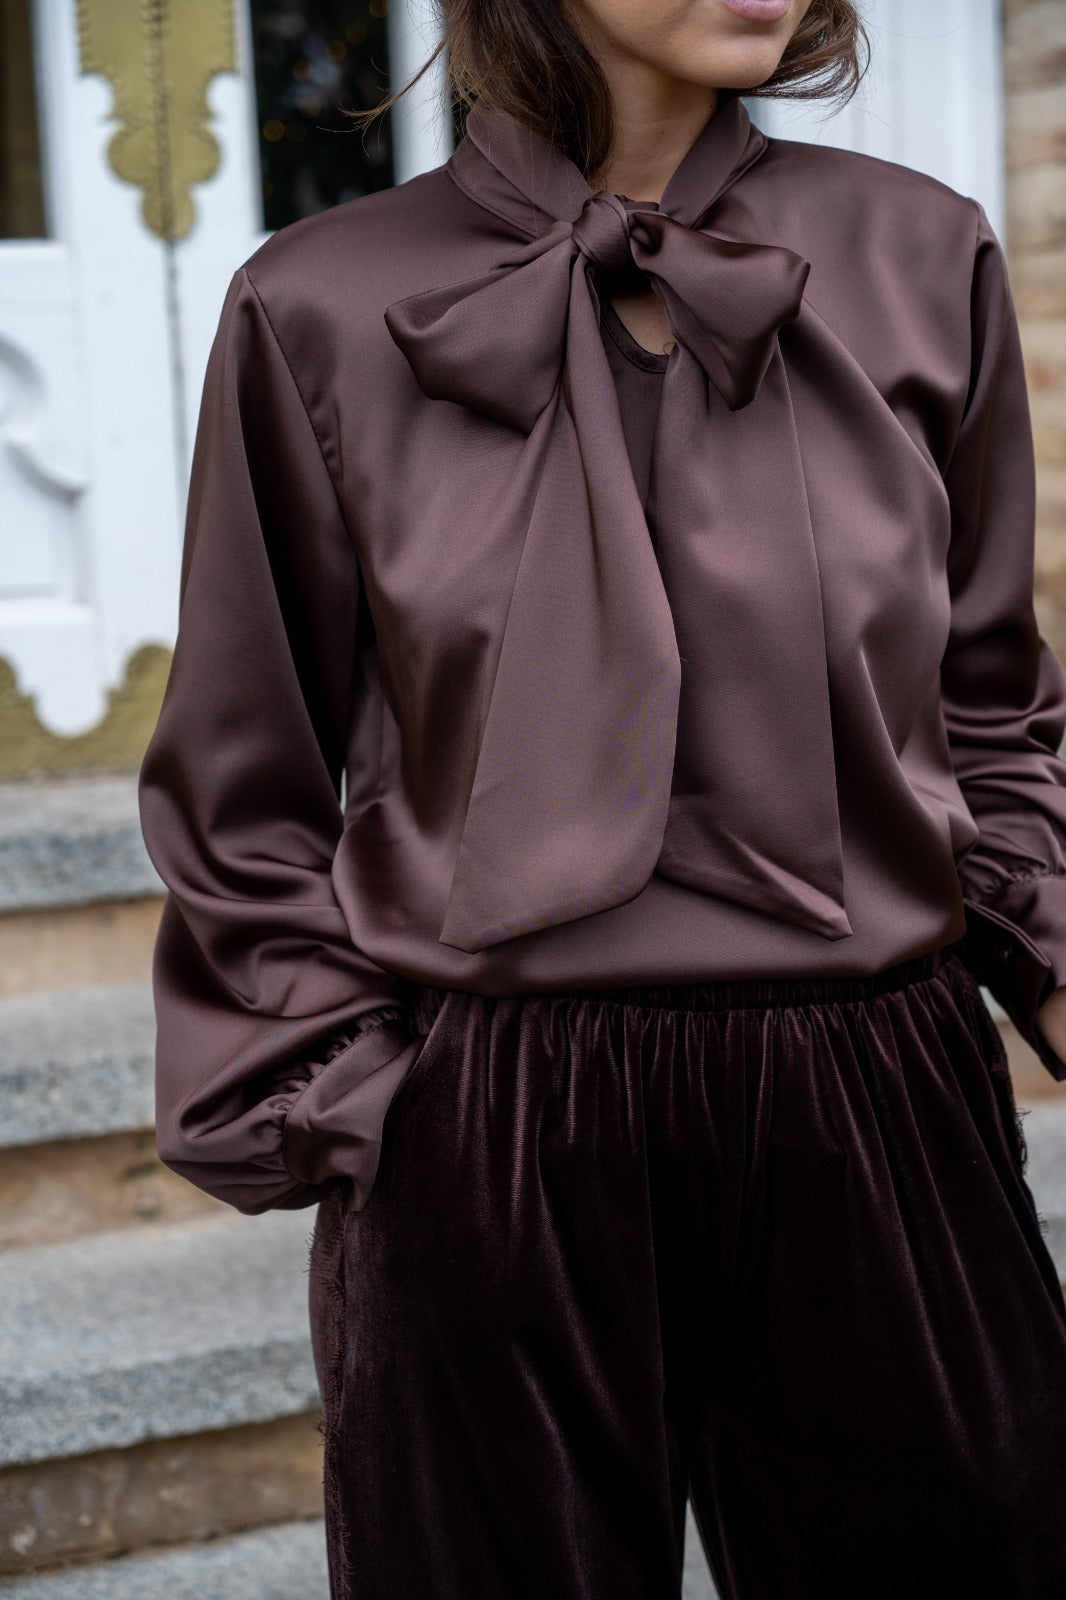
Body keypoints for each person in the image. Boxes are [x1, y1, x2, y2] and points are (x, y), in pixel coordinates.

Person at [137, 0, 1066, 1594]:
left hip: (878, 1101)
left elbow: (989, 704)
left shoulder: (923, 253)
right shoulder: (315, 301)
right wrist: (368, 1108)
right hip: (489, 1125)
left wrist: (1041, 952)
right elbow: (246, 779)